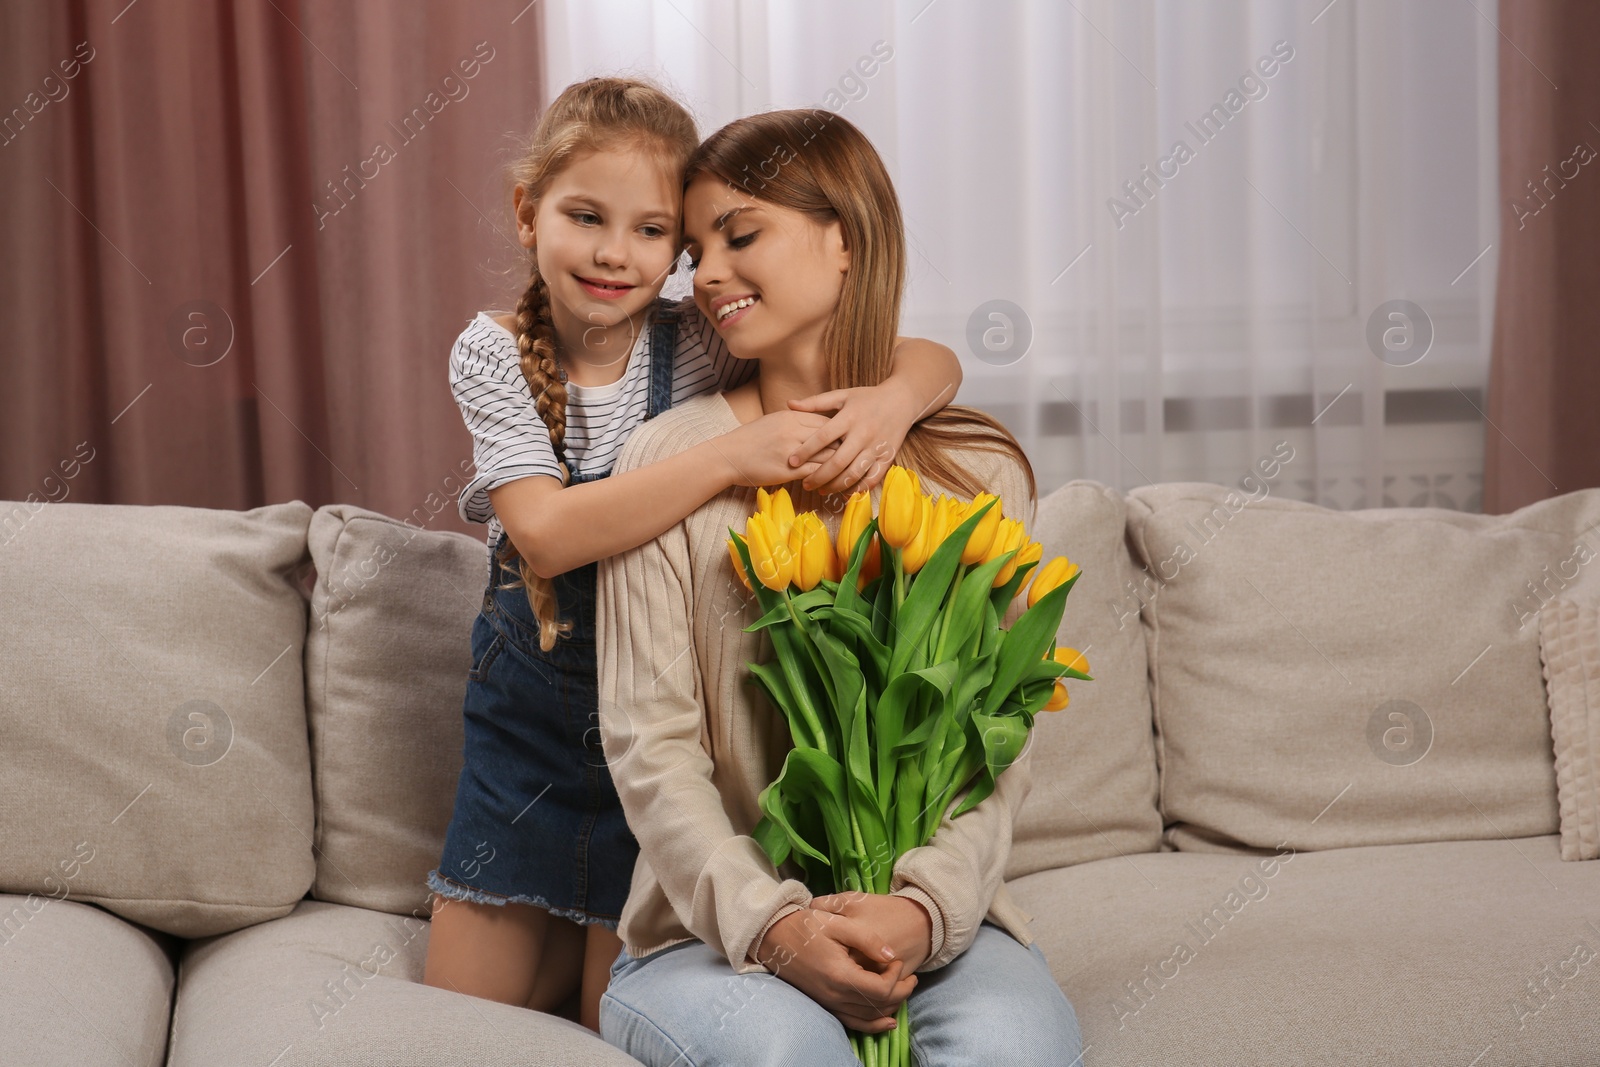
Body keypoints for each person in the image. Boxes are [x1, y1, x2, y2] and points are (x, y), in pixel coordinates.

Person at [423, 78, 968, 1035]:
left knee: (614, 1024)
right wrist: (728, 456)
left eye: (651, 234)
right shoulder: (495, 351)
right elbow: (545, 533)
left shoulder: (697, 343)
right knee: (459, 1028)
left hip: (672, 758)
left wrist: (894, 401)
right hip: (530, 746)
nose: (611, 253)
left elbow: (923, 353)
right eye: (585, 216)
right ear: (527, 212)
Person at [595, 108, 1083, 1065]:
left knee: (1012, 1051)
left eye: (741, 235)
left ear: (845, 239)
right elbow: (648, 745)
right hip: (710, 940)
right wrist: (776, 925)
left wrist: (922, 905)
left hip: (930, 929)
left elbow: (1000, 744)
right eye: (697, 251)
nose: (710, 276)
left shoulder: (978, 475)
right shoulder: (670, 463)